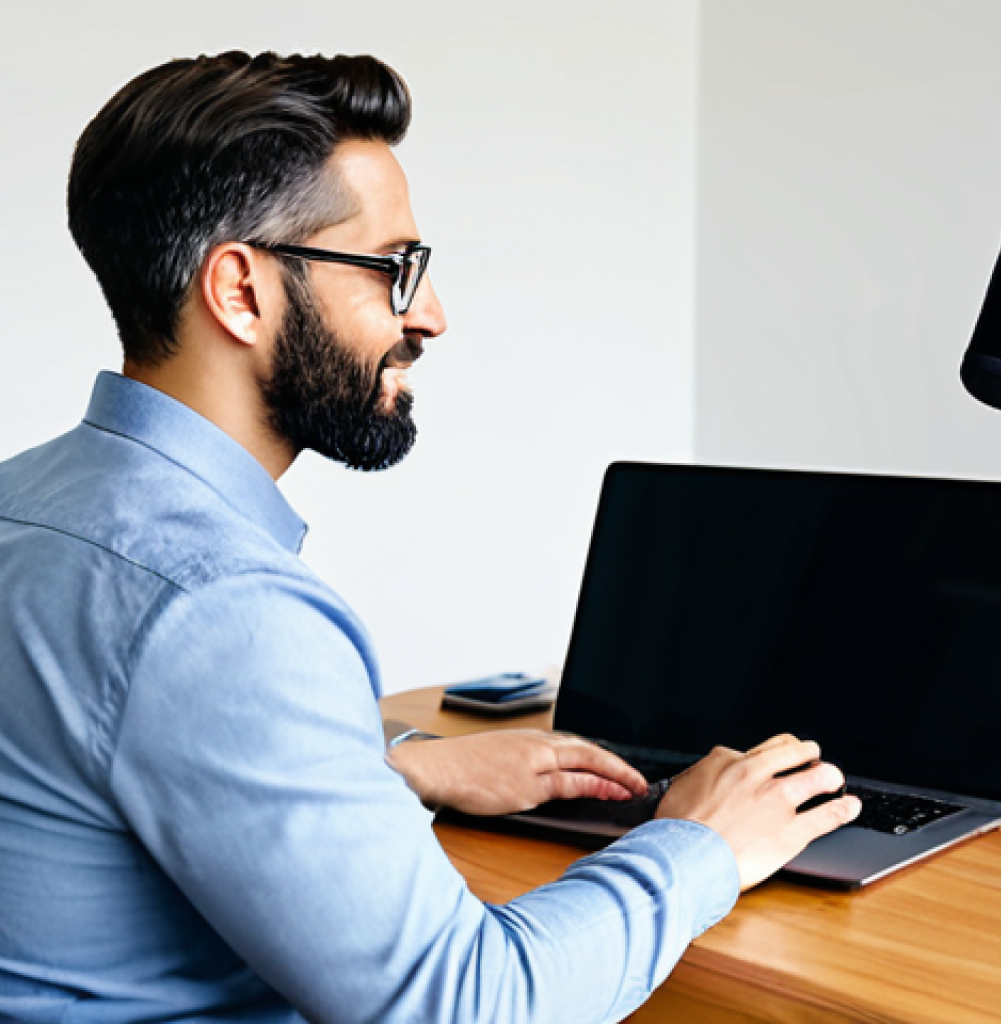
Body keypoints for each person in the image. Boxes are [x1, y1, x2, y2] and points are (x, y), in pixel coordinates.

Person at [0, 51, 860, 1023]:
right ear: (240, 290)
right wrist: (704, 841)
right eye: (396, 269)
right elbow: (459, 1003)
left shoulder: (26, 508)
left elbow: (92, 749)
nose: (433, 317)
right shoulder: (218, 605)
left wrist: (391, 761)